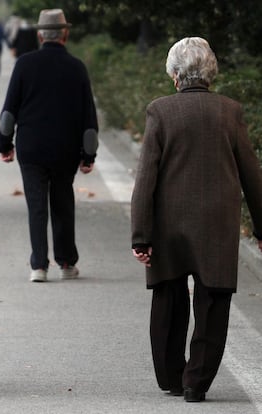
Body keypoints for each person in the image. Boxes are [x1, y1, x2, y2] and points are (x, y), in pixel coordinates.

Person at [131, 37, 262, 403]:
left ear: (175, 75)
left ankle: (172, 376)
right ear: (211, 73)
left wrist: (141, 236)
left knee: (168, 297)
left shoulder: (160, 111)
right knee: (213, 300)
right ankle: (196, 382)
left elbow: (146, 178)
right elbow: (252, 173)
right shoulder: (230, 111)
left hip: (168, 223)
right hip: (217, 223)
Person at [0, 9, 98, 282]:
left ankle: (39, 266)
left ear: (40, 34)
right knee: (63, 201)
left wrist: (4, 143)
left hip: (31, 147)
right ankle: (66, 263)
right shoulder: (77, 67)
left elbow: (9, 112)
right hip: (66, 148)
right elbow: (88, 116)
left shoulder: (24, 64)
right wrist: (89, 154)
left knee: (36, 205)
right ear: (65, 34)